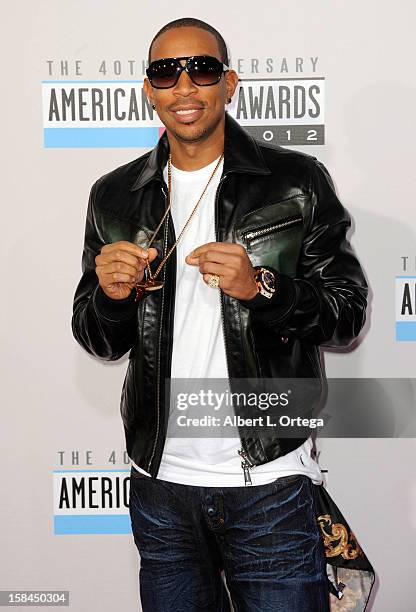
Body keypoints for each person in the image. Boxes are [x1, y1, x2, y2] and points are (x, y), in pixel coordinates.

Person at [72, 17, 369, 612]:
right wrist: (108, 295)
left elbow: (346, 315)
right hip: (160, 487)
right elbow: (100, 341)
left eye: (201, 69)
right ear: (149, 90)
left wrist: (262, 286)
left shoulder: (294, 183)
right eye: (165, 72)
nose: (184, 86)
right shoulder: (114, 195)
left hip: (267, 479)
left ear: (228, 83)